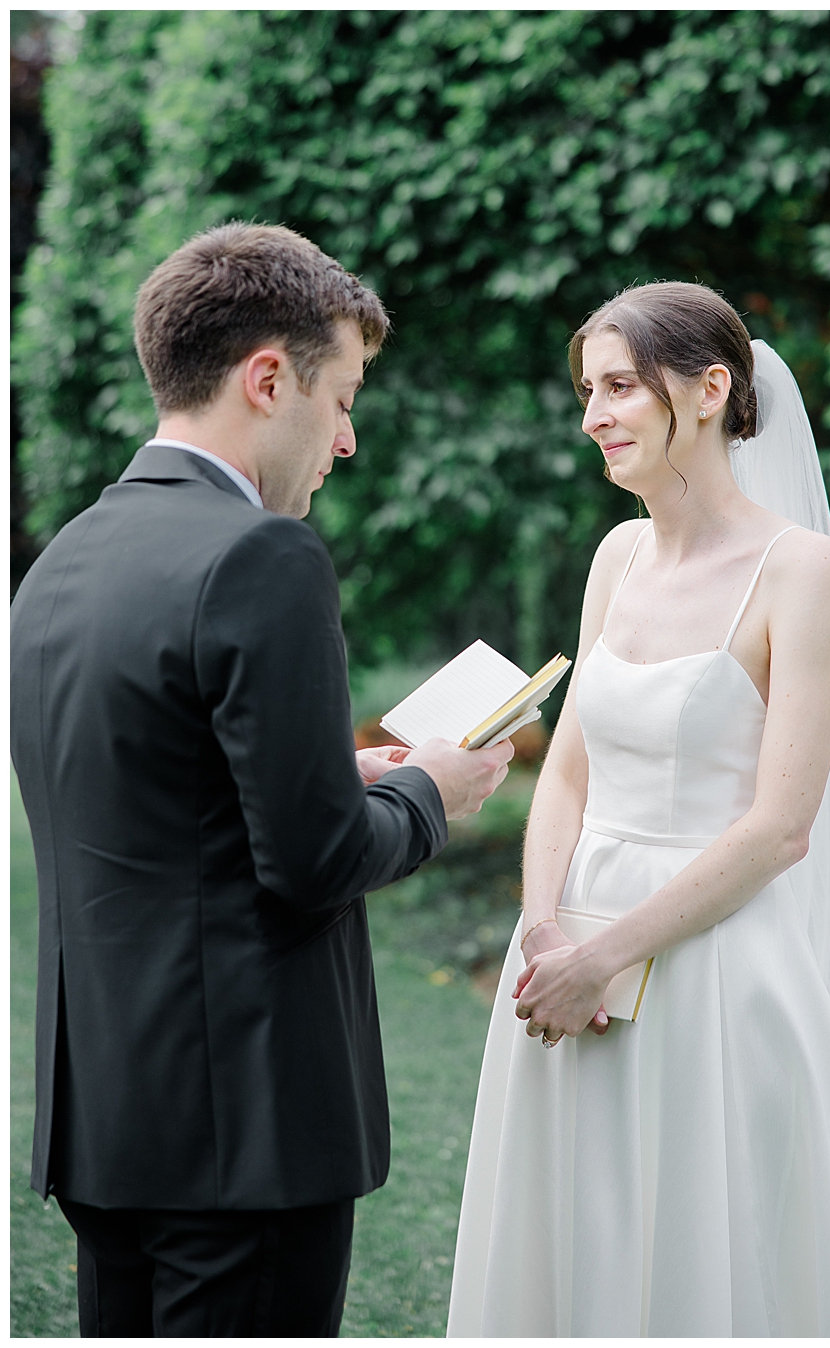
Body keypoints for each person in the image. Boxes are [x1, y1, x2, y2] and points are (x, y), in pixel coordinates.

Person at [10, 221, 513, 1337]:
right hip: (246, 1128)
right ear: (268, 377)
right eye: (341, 401)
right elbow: (316, 861)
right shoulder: (262, 557)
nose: (345, 442)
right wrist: (431, 789)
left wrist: (323, 766)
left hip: (110, 1119)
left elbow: (143, 784)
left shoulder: (59, 564)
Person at [446, 282, 830, 1337]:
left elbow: (783, 826)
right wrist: (548, 928)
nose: (592, 414)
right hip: (566, 945)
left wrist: (612, 955)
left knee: (704, 1249)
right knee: (570, 1240)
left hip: (711, 961)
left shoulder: (801, 570)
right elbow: (566, 770)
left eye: (616, 388)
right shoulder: (618, 554)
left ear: (708, 390)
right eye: (587, 391)